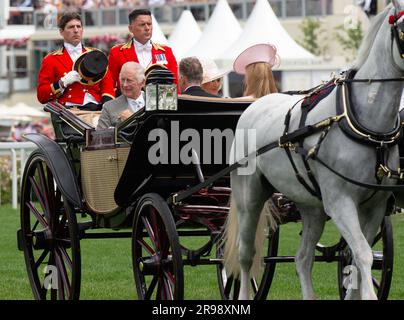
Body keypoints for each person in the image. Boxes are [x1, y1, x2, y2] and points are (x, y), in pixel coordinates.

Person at [36, 12, 115, 110]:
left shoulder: (95, 55)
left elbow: (108, 86)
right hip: (69, 112)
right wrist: (61, 83)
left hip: (97, 108)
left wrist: (106, 107)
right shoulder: (51, 60)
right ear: (61, 31)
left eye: (79, 26)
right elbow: (41, 95)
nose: (76, 30)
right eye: (71, 27)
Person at [108, 9, 178, 93]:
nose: (147, 28)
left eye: (149, 24)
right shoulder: (117, 52)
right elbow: (110, 84)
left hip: (160, 102)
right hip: (128, 103)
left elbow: (174, 83)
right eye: (142, 25)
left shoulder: (166, 52)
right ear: (130, 28)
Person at [97, 62, 145, 129]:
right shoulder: (109, 107)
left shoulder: (156, 103)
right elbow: (99, 137)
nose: (125, 85)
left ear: (142, 82)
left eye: (129, 80)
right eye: (122, 80)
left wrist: (133, 121)